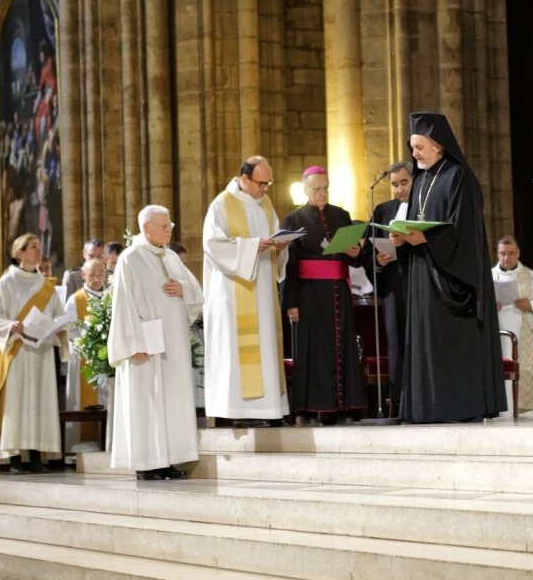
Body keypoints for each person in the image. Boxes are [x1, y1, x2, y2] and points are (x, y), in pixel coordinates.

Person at [393, 111, 505, 423]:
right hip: (421, 275)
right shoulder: (421, 180)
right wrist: (402, 238)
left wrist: (426, 240)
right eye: (412, 147)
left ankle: (457, 407)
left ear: (439, 145)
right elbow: (415, 223)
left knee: (450, 345)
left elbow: (464, 232)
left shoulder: (459, 177)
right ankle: (426, 407)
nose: (413, 153)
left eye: (419, 147)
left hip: (450, 277)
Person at [108, 205, 203, 480]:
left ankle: (169, 459)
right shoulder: (131, 258)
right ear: (146, 228)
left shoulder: (171, 256)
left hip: (173, 342)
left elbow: (196, 291)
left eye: (169, 225)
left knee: (171, 399)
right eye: (163, 226)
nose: (169, 229)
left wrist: (183, 289)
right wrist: (132, 343)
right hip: (145, 344)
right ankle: (147, 463)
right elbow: (123, 303)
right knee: (147, 400)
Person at [202, 156, 290, 425]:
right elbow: (214, 246)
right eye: (261, 183)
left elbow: (276, 234)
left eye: (269, 183)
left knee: (265, 345)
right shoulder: (221, 204)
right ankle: (240, 412)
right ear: (244, 179)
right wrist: (252, 246)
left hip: (262, 288)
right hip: (233, 292)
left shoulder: (265, 205)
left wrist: (280, 246)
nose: (265, 189)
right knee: (238, 351)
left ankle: (268, 410)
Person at [282, 166, 368, 424]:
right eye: (316, 189)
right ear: (306, 190)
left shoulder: (341, 215)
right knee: (315, 351)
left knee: (343, 346)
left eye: (325, 188)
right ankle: (313, 408)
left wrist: (356, 254)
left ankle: (345, 407)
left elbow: (352, 258)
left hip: (339, 291)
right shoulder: (294, 219)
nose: (321, 193)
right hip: (309, 295)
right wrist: (291, 302)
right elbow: (289, 263)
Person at [0, 234, 67, 473]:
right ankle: (16, 458)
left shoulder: (47, 285)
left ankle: (36, 457)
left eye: (39, 247)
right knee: (17, 405)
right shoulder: (6, 283)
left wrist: (60, 331)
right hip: (16, 351)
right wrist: (10, 326)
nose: (39, 251)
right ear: (20, 253)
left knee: (39, 402)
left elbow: (59, 316)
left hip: (42, 352)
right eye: (33, 247)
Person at [363, 161, 413, 416]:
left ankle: (423, 395)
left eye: (404, 183)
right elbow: (368, 248)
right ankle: (399, 399)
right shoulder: (384, 210)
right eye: (394, 184)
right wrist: (378, 260)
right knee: (396, 343)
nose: (399, 189)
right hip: (394, 286)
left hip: (418, 284)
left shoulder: (422, 208)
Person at [492, 235, 533, 418]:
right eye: (502, 253)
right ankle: (499, 412)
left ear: (518, 253)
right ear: (497, 254)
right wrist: (490, 309)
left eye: (511, 253)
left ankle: (529, 414)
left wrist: (532, 306)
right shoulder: (488, 278)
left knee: (524, 371)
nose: (506, 258)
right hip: (497, 338)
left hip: (525, 336)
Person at [63, 258, 108, 448]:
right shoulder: (76, 300)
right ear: (83, 276)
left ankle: (108, 443)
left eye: (101, 274)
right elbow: (70, 331)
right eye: (92, 275)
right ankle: (83, 447)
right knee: (83, 400)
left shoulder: (110, 297)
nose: (97, 279)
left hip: (108, 362)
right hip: (84, 359)